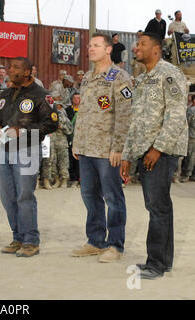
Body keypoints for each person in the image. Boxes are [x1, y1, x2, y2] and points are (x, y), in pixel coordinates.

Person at [120, 32, 188, 279]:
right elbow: (136, 120)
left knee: (157, 207)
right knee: (159, 207)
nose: (137, 48)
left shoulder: (169, 73)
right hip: (145, 151)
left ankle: (156, 264)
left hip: (162, 151)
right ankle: (163, 261)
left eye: (142, 44)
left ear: (157, 49)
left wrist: (158, 148)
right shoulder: (142, 79)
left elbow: (177, 113)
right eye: (136, 44)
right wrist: (127, 156)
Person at [71, 33, 133, 263]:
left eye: (96, 45)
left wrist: (119, 147)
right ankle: (95, 241)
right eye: (89, 45)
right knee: (89, 195)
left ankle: (115, 245)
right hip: (87, 148)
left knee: (113, 197)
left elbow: (125, 115)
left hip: (107, 150)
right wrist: (77, 142)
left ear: (108, 49)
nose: (90, 48)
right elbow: (85, 111)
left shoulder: (119, 77)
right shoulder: (87, 77)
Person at [0, 57, 60, 257]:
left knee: (24, 195)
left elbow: (51, 124)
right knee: (7, 196)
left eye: (16, 68)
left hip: (27, 149)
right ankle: (17, 237)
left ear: (29, 71)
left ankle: (31, 240)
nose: (11, 71)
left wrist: (23, 130)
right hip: (5, 149)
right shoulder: (4, 94)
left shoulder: (41, 95)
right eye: (10, 67)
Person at [65, 93, 81, 187]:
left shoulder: (84, 110)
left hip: (80, 138)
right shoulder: (67, 110)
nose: (77, 99)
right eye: (75, 98)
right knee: (71, 158)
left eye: (78, 98)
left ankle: (79, 178)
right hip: (70, 138)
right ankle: (73, 178)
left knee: (79, 159)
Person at [181, 95, 195, 183]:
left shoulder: (190, 110)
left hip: (191, 136)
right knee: (190, 158)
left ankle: (187, 174)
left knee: (190, 158)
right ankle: (187, 174)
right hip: (191, 137)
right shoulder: (191, 110)